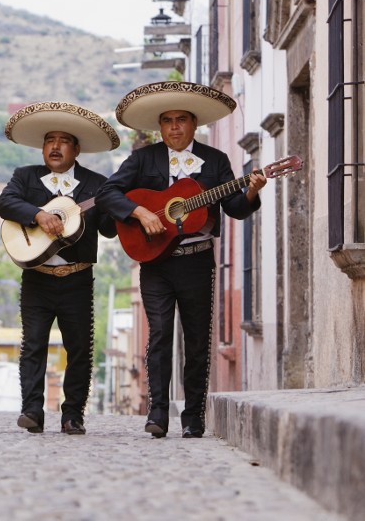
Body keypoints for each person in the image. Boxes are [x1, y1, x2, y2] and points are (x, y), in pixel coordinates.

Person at [95, 81, 267, 439]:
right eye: (168, 121)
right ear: (160, 127)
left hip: (196, 260)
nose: (174, 127)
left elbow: (234, 208)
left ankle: (193, 418)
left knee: (198, 340)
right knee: (159, 334)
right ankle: (157, 414)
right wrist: (140, 213)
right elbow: (107, 193)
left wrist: (250, 190)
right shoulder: (144, 159)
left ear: (194, 124)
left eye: (182, 120)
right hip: (155, 261)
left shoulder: (215, 161)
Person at [0, 102, 120, 434]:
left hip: (77, 277)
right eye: (49, 140)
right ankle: (32, 411)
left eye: (63, 140)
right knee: (33, 344)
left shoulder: (97, 184)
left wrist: (120, 206)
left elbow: (108, 228)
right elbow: (5, 203)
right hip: (36, 277)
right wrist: (38, 215)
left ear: (76, 148)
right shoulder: (25, 177)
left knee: (79, 348)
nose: (54, 146)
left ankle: (73, 414)